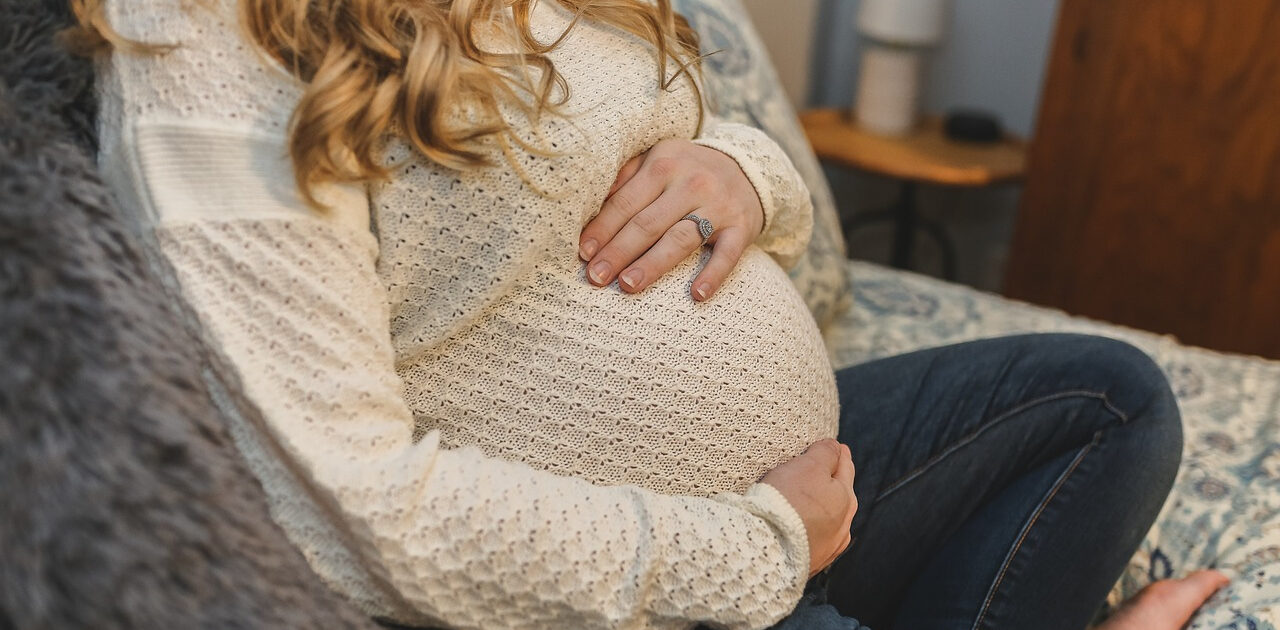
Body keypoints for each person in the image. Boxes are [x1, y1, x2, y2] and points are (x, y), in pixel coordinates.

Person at [74, 0, 1226, 627]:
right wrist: (755, 548)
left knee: (1109, 403)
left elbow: (667, 143)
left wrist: (738, 168)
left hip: (787, 508)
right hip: (619, 574)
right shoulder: (202, 43)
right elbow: (342, 510)